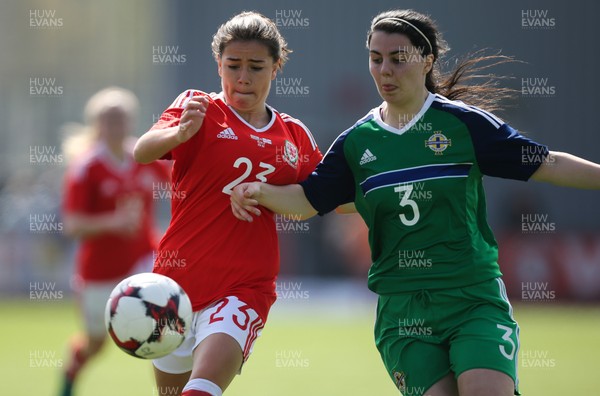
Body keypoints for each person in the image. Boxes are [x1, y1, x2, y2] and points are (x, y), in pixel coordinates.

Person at [230, 9, 600, 396]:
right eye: (376, 59)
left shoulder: (464, 125)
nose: (384, 69)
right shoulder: (357, 143)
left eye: (398, 58)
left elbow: (547, 162)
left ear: (426, 61)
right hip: (403, 312)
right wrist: (256, 191)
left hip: (471, 298)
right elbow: (308, 201)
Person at [133, 11, 322, 396]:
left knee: (201, 390)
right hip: (174, 285)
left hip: (243, 287)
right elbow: (142, 152)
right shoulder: (197, 106)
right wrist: (178, 132)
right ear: (218, 64)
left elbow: (312, 203)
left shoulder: (293, 134)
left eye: (256, 66)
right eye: (233, 65)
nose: (243, 77)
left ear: (276, 67)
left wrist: (261, 192)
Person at [60, 87, 170, 396]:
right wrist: (113, 222)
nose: (116, 124)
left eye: (121, 117)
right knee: (96, 343)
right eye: (109, 118)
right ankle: (69, 375)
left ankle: (176, 388)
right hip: (99, 272)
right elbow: (72, 225)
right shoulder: (86, 168)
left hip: (143, 260)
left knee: (164, 328)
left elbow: (181, 182)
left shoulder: (144, 155)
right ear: (97, 124)